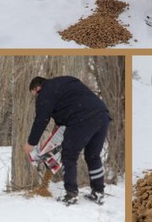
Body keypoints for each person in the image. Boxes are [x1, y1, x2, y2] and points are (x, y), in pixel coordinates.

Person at [24, 76, 111, 205]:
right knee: (93, 156)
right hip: (102, 115)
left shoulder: (45, 92)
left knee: (69, 156)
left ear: (37, 88)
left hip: (82, 118)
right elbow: (73, 102)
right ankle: (98, 192)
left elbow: (41, 119)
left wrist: (31, 142)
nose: (37, 97)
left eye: (35, 94)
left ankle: (71, 194)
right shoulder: (67, 81)